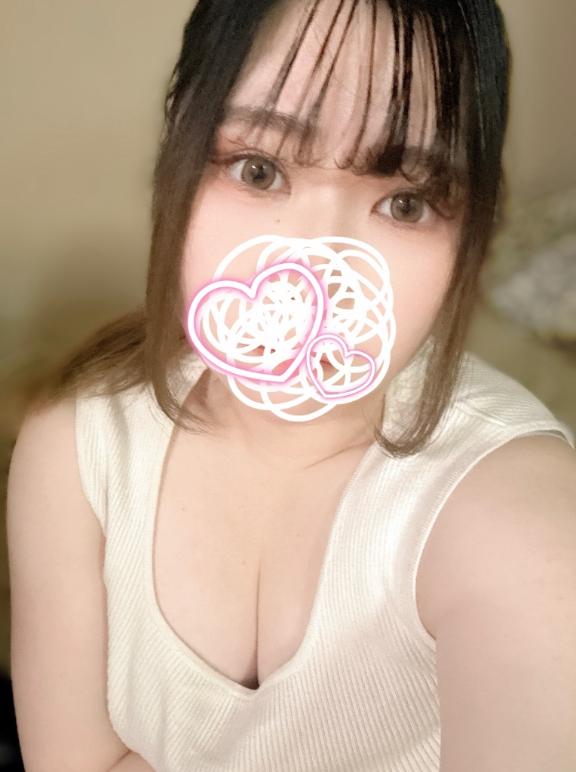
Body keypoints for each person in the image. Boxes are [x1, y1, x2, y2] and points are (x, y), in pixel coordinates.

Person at [6, 0, 576, 770]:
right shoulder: (77, 446)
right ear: (178, 154)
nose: (316, 265)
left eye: (405, 202)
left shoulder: (520, 521)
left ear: (472, 227)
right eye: (259, 169)